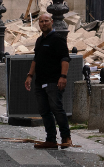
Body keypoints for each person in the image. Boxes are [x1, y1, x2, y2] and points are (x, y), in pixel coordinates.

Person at [24, 11, 71, 149]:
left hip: (54, 81)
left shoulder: (58, 38)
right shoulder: (39, 40)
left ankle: (66, 137)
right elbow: (35, 60)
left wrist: (63, 77)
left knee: (57, 108)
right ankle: (51, 139)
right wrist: (30, 76)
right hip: (40, 81)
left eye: (46, 21)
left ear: (51, 22)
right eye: (41, 21)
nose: (43, 23)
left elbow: (65, 58)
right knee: (44, 110)